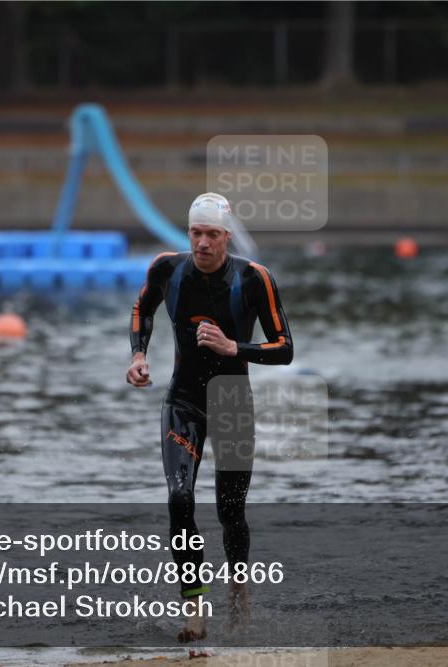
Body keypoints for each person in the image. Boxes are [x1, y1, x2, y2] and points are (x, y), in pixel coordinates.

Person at [126, 193, 293, 642]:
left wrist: (234, 347)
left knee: (230, 511)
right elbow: (143, 308)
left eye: (212, 235)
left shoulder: (254, 278)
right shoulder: (167, 268)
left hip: (234, 403)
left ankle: (239, 595)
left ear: (226, 236)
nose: (202, 243)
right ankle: (195, 607)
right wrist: (138, 355)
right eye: (195, 233)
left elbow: (285, 348)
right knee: (179, 499)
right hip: (183, 403)